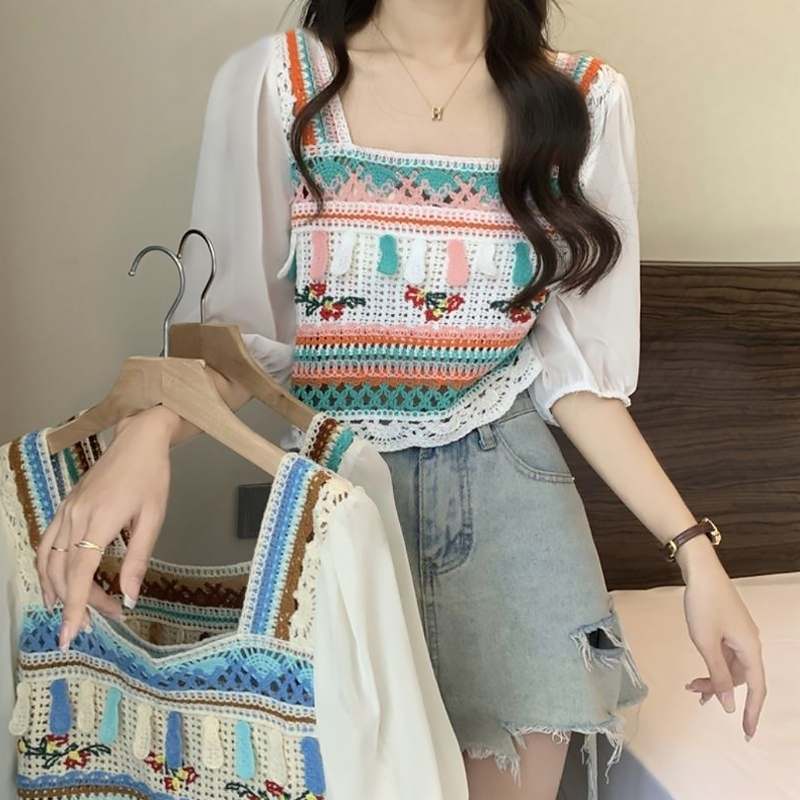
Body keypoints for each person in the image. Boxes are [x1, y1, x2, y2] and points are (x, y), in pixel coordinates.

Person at [36, 1, 766, 798]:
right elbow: (239, 347)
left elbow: (577, 378)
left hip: (512, 500)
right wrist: (147, 433)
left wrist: (696, 553)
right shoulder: (277, 85)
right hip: (340, 497)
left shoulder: (583, 102)